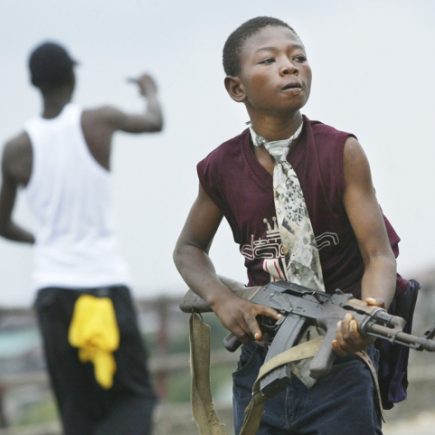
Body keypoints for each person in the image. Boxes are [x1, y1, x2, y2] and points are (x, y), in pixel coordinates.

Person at [173, 16, 416, 435]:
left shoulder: (340, 152)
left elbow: (378, 254)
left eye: (298, 57)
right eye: (269, 60)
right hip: (262, 368)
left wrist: (368, 310)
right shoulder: (221, 168)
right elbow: (188, 250)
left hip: (340, 364)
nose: (289, 67)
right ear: (236, 88)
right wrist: (222, 299)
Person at [0, 41, 163, 435]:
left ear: (34, 84)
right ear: (72, 76)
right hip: (103, 283)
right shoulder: (98, 121)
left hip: (54, 292)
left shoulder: (16, 149)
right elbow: (153, 121)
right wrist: (149, 90)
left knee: (77, 410)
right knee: (134, 398)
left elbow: (2, 224)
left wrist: (43, 240)